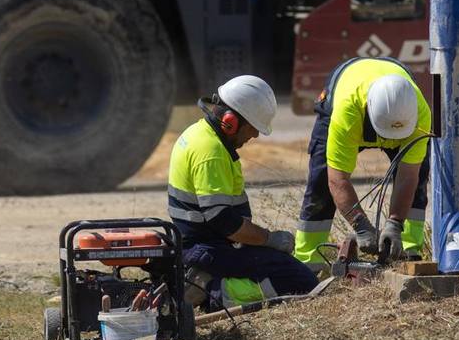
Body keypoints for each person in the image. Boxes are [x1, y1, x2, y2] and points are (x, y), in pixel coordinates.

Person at [169, 75, 317, 311]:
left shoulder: (199, 134)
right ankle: (213, 292)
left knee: (285, 266)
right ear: (230, 122)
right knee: (301, 281)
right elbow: (223, 221)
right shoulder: (211, 152)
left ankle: (208, 281)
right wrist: (270, 239)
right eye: (253, 128)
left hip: (208, 243)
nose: (255, 136)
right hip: (210, 249)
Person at [294, 58, 432, 268]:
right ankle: (308, 262)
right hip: (346, 89)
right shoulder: (346, 113)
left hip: (398, 107)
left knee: (419, 174)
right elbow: (338, 180)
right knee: (321, 181)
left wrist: (395, 223)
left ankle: (406, 250)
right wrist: (361, 225)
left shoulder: (420, 113)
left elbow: (408, 176)